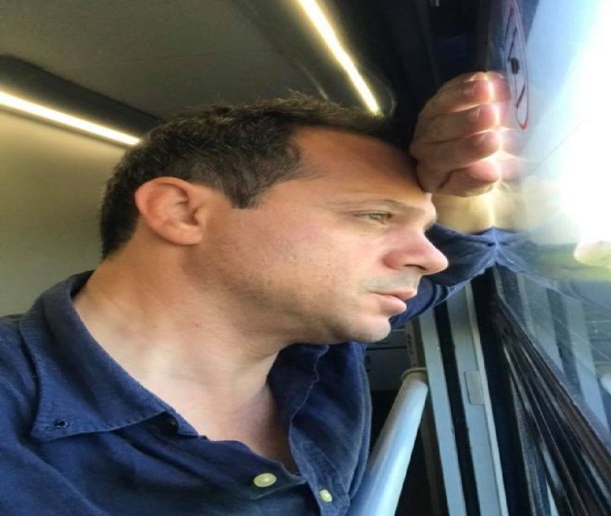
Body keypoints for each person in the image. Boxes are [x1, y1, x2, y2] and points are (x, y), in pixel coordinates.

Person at [0, 72, 505, 515]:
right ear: (181, 212)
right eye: (376, 216)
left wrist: (464, 184)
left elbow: (453, 261)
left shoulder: (317, 346)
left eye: (424, 230)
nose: (431, 258)